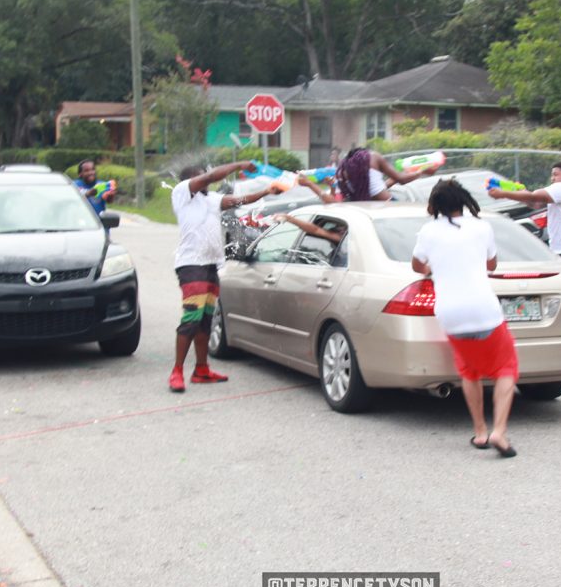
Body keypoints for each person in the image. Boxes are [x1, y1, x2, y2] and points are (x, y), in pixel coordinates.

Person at [411, 179, 518, 458]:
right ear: (463, 201)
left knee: (469, 371)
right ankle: (499, 432)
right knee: (506, 368)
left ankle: (480, 432)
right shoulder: (482, 227)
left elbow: (417, 265)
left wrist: (433, 266)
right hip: (484, 310)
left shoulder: (428, 231)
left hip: (450, 314)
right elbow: (491, 264)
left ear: (435, 205)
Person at [169, 161, 282, 392]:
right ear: (191, 179)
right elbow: (211, 177)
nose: (208, 178)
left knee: (205, 321)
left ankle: (201, 370)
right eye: (202, 175)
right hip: (192, 265)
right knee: (191, 319)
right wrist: (240, 164)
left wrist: (266, 192)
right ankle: (177, 371)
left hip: (211, 265)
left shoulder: (211, 199)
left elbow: (239, 201)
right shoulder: (182, 194)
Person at [488, 160, 561, 266]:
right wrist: (519, 191)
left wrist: (503, 194)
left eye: (556, 175)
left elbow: (533, 197)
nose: (552, 178)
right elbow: (536, 204)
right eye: (552, 175)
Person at [299, 147, 436, 203]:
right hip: (389, 205)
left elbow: (375, 188)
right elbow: (401, 180)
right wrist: (422, 171)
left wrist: (311, 184)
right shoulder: (373, 157)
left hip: (366, 210)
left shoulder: (344, 173)